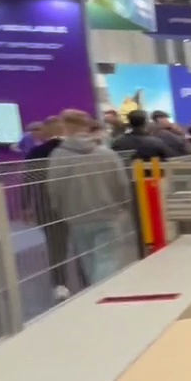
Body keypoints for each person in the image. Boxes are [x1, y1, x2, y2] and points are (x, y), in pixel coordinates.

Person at [47, 119, 134, 288]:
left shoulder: (58, 156)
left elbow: (53, 188)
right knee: (107, 258)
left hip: (76, 216)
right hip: (107, 213)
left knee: (88, 260)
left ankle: (93, 291)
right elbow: (122, 183)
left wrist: (60, 210)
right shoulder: (107, 154)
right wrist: (123, 204)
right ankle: (102, 291)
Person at [25, 115, 73, 300]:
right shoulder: (72, 150)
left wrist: (26, 205)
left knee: (55, 247)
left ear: (45, 131)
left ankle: (60, 283)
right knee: (81, 243)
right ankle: (88, 280)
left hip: (46, 205)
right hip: (73, 202)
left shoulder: (35, 152)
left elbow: (28, 181)